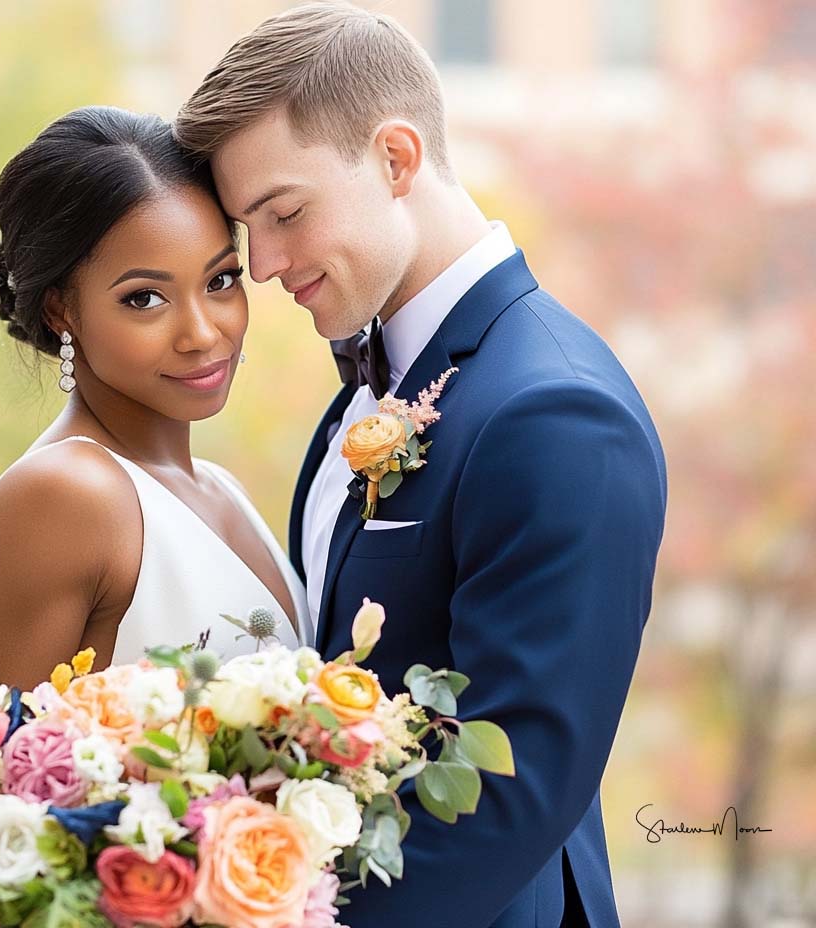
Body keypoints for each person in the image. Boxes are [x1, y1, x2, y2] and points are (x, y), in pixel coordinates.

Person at [174, 4, 667, 926]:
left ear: (396, 159)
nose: (268, 265)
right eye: (250, 231)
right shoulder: (377, 382)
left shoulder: (557, 414)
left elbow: (510, 791)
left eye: (283, 214)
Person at [0, 106, 307, 691]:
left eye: (220, 281)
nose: (202, 333)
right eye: (145, 299)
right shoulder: (63, 496)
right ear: (61, 309)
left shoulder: (222, 489)